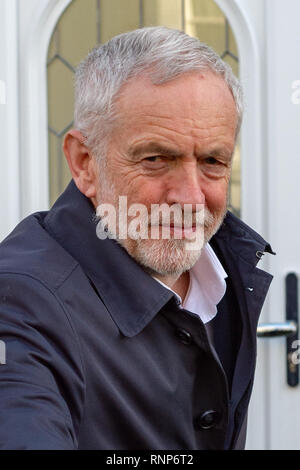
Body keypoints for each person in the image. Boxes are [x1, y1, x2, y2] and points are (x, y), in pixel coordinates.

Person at [0, 26, 274, 450]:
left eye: (213, 161)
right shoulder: (17, 299)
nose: (190, 197)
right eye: (155, 159)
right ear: (84, 162)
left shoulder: (227, 270)